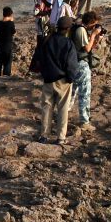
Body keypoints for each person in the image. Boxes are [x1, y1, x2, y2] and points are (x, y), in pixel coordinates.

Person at [36, 16, 80, 145]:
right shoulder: (68, 43)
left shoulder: (47, 40)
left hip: (48, 79)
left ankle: (43, 135)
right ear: (67, 29)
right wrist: (70, 79)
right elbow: (72, 65)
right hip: (63, 81)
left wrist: (45, 74)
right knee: (62, 109)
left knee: (46, 107)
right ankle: (60, 138)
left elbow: (40, 59)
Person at [69, 11, 105, 130]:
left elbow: (89, 47)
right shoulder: (80, 30)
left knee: (73, 90)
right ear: (91, 22)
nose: (95, 27)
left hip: (75, 63)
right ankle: (84, 122)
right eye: (95, 24)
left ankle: (64, 112)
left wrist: (97, 39)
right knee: (84, 93)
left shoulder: (79, 29)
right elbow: (87, 48)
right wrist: (94, 35)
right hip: (80, 65)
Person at [0, 6, 16, 77]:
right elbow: (14, 33)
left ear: (3, 14)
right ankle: (6, 78)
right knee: (7, 63)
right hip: (7, 48)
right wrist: (11, 22)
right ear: (11, 15)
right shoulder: (11, 24)